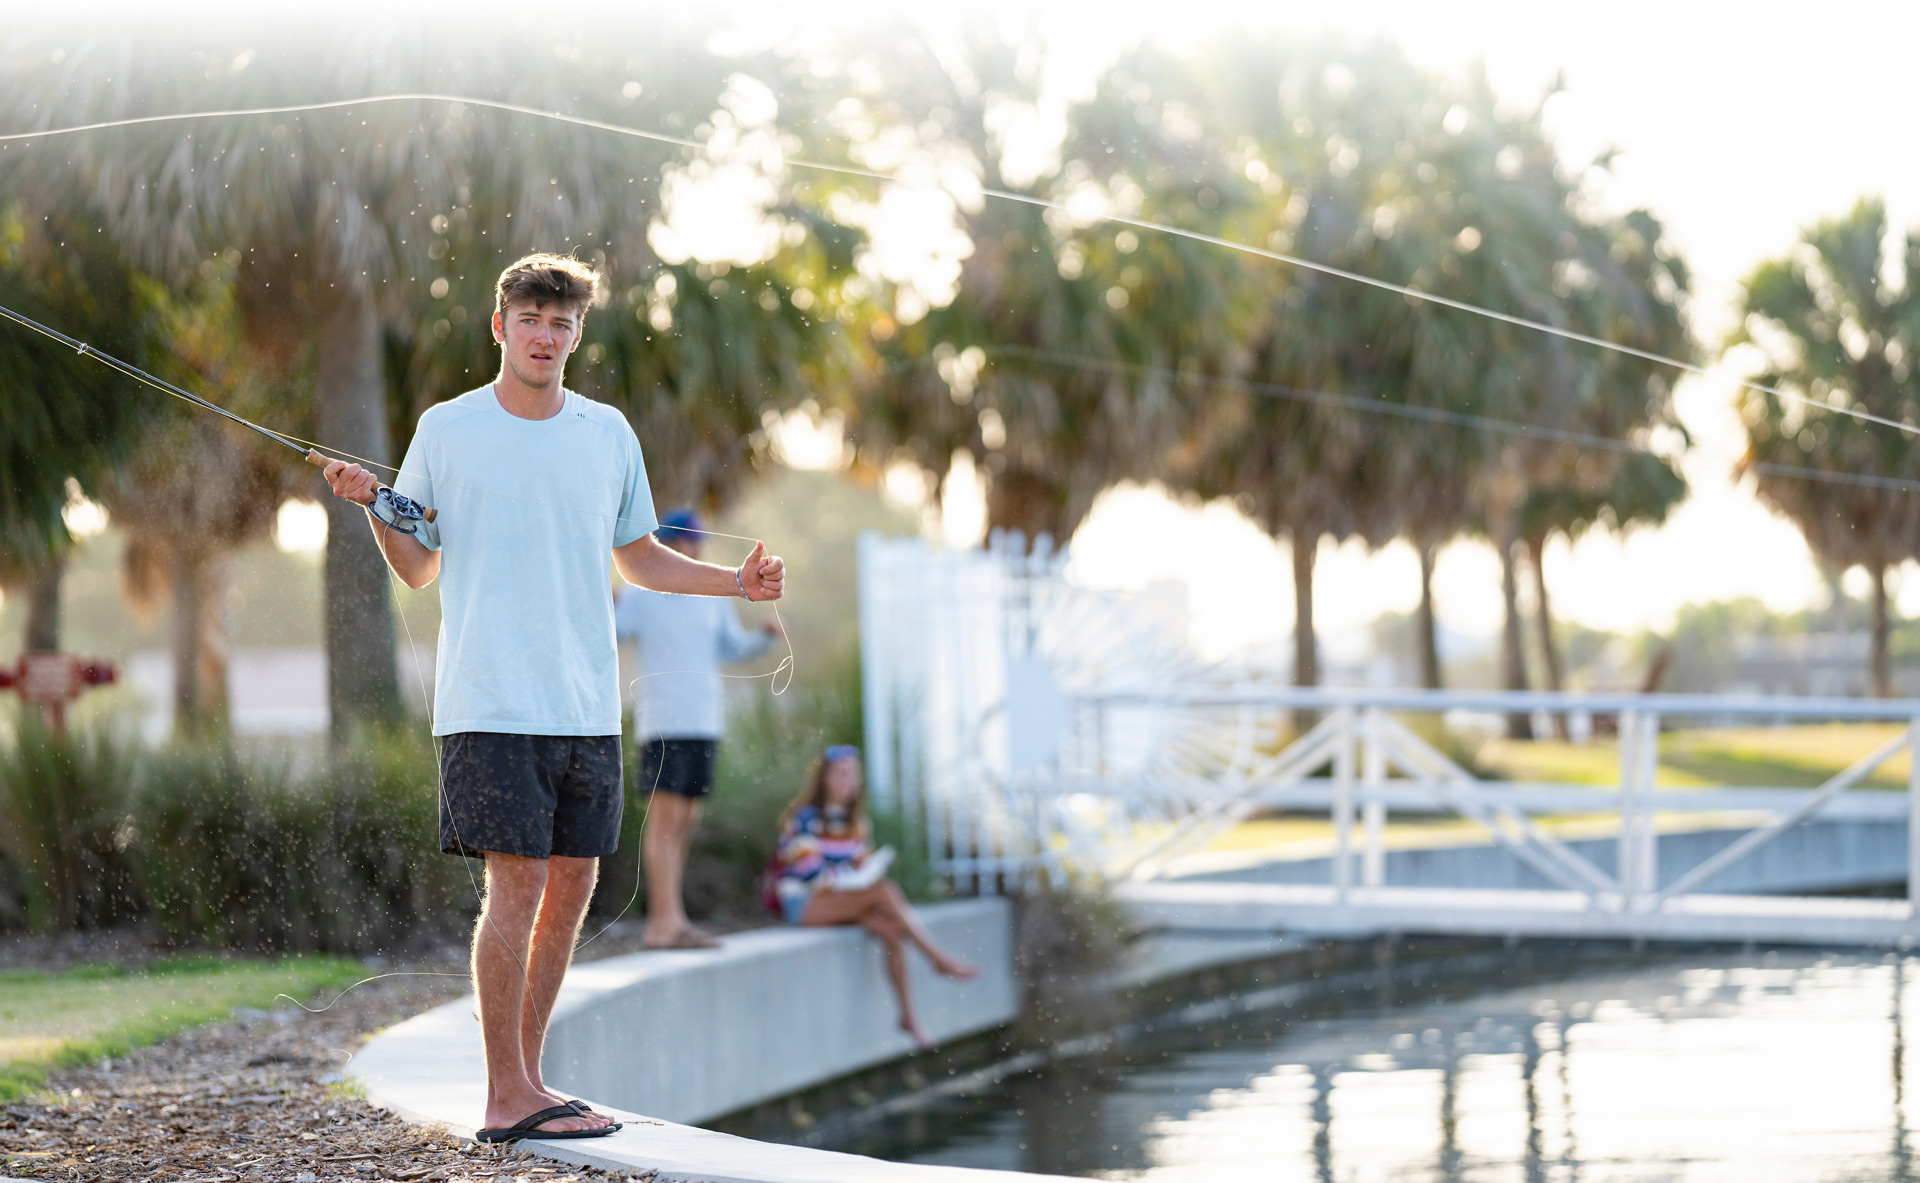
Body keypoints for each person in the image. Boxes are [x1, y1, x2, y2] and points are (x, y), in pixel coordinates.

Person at [321, 253, 784, 1144]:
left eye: (561, 323)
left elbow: (640, 557)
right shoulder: (446, 429)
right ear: (500, 327)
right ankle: (503, 1095)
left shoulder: (607, 433)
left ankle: (528, 1081)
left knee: (574, 882)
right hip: (489, 699)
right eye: (530, 318)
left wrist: (740, 583)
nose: (545, 335)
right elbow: (418, 565)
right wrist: (374, 505)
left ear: (578, 335)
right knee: (518, 881)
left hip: (586, 705)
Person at [614, 507, 779, 949]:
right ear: (669, 542)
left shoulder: (714, 594)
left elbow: (731, 648)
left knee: (687, 818)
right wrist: (601, 600)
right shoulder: (640, 593)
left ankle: (673, 920)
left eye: (700, 540)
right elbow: (610, 631)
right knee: (667, 820)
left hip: (705, 722)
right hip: (663, 724)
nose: (699, 548)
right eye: (691, 540)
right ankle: (662, 925)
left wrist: (763, 637)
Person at [774, 745, 978, 1049]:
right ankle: (937, 959)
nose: (849, 782)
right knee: (885, 892)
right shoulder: (805, 820)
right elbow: (811, 877)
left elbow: (861, 867)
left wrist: (861, 878)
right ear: (825, 778)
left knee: (890, 931)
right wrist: (856, 882)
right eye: (842, 775)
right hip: (805, 905)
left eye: (853, 775)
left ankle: (909, 1016)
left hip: (842, 900)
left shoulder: (855, 822)